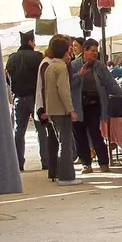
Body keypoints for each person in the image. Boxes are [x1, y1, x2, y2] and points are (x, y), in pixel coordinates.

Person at [71, 38, 122, 174]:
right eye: (92, 51)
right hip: (77, 105)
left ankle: (103, 163)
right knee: (80, 135)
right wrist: (79, 74)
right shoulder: (74, 65)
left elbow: (109, 82)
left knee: (96, 133)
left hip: (94, 105)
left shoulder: (99, 66)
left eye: (96, 51)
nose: (95, 53)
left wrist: (121, 93)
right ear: (85, 51)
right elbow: (69, 84)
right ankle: (86, 164)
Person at [42, 35, 82, 186]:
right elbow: (64, 91)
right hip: (61, 110)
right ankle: (67, 177)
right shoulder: (61, 67)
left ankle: (62, 174)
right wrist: (71, 110)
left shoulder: (50, 66)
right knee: (66, 144)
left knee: (61, 143)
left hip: (52, 110)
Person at [5, 30, 45, 172]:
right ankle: (45, 161)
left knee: (19, 131)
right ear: (30, 42)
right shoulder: (38, 57)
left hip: (18, 98)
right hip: (35, 98)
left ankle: (18, 163)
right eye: (34, 41)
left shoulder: (11, 59)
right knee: (41, 130)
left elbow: (8, 79)